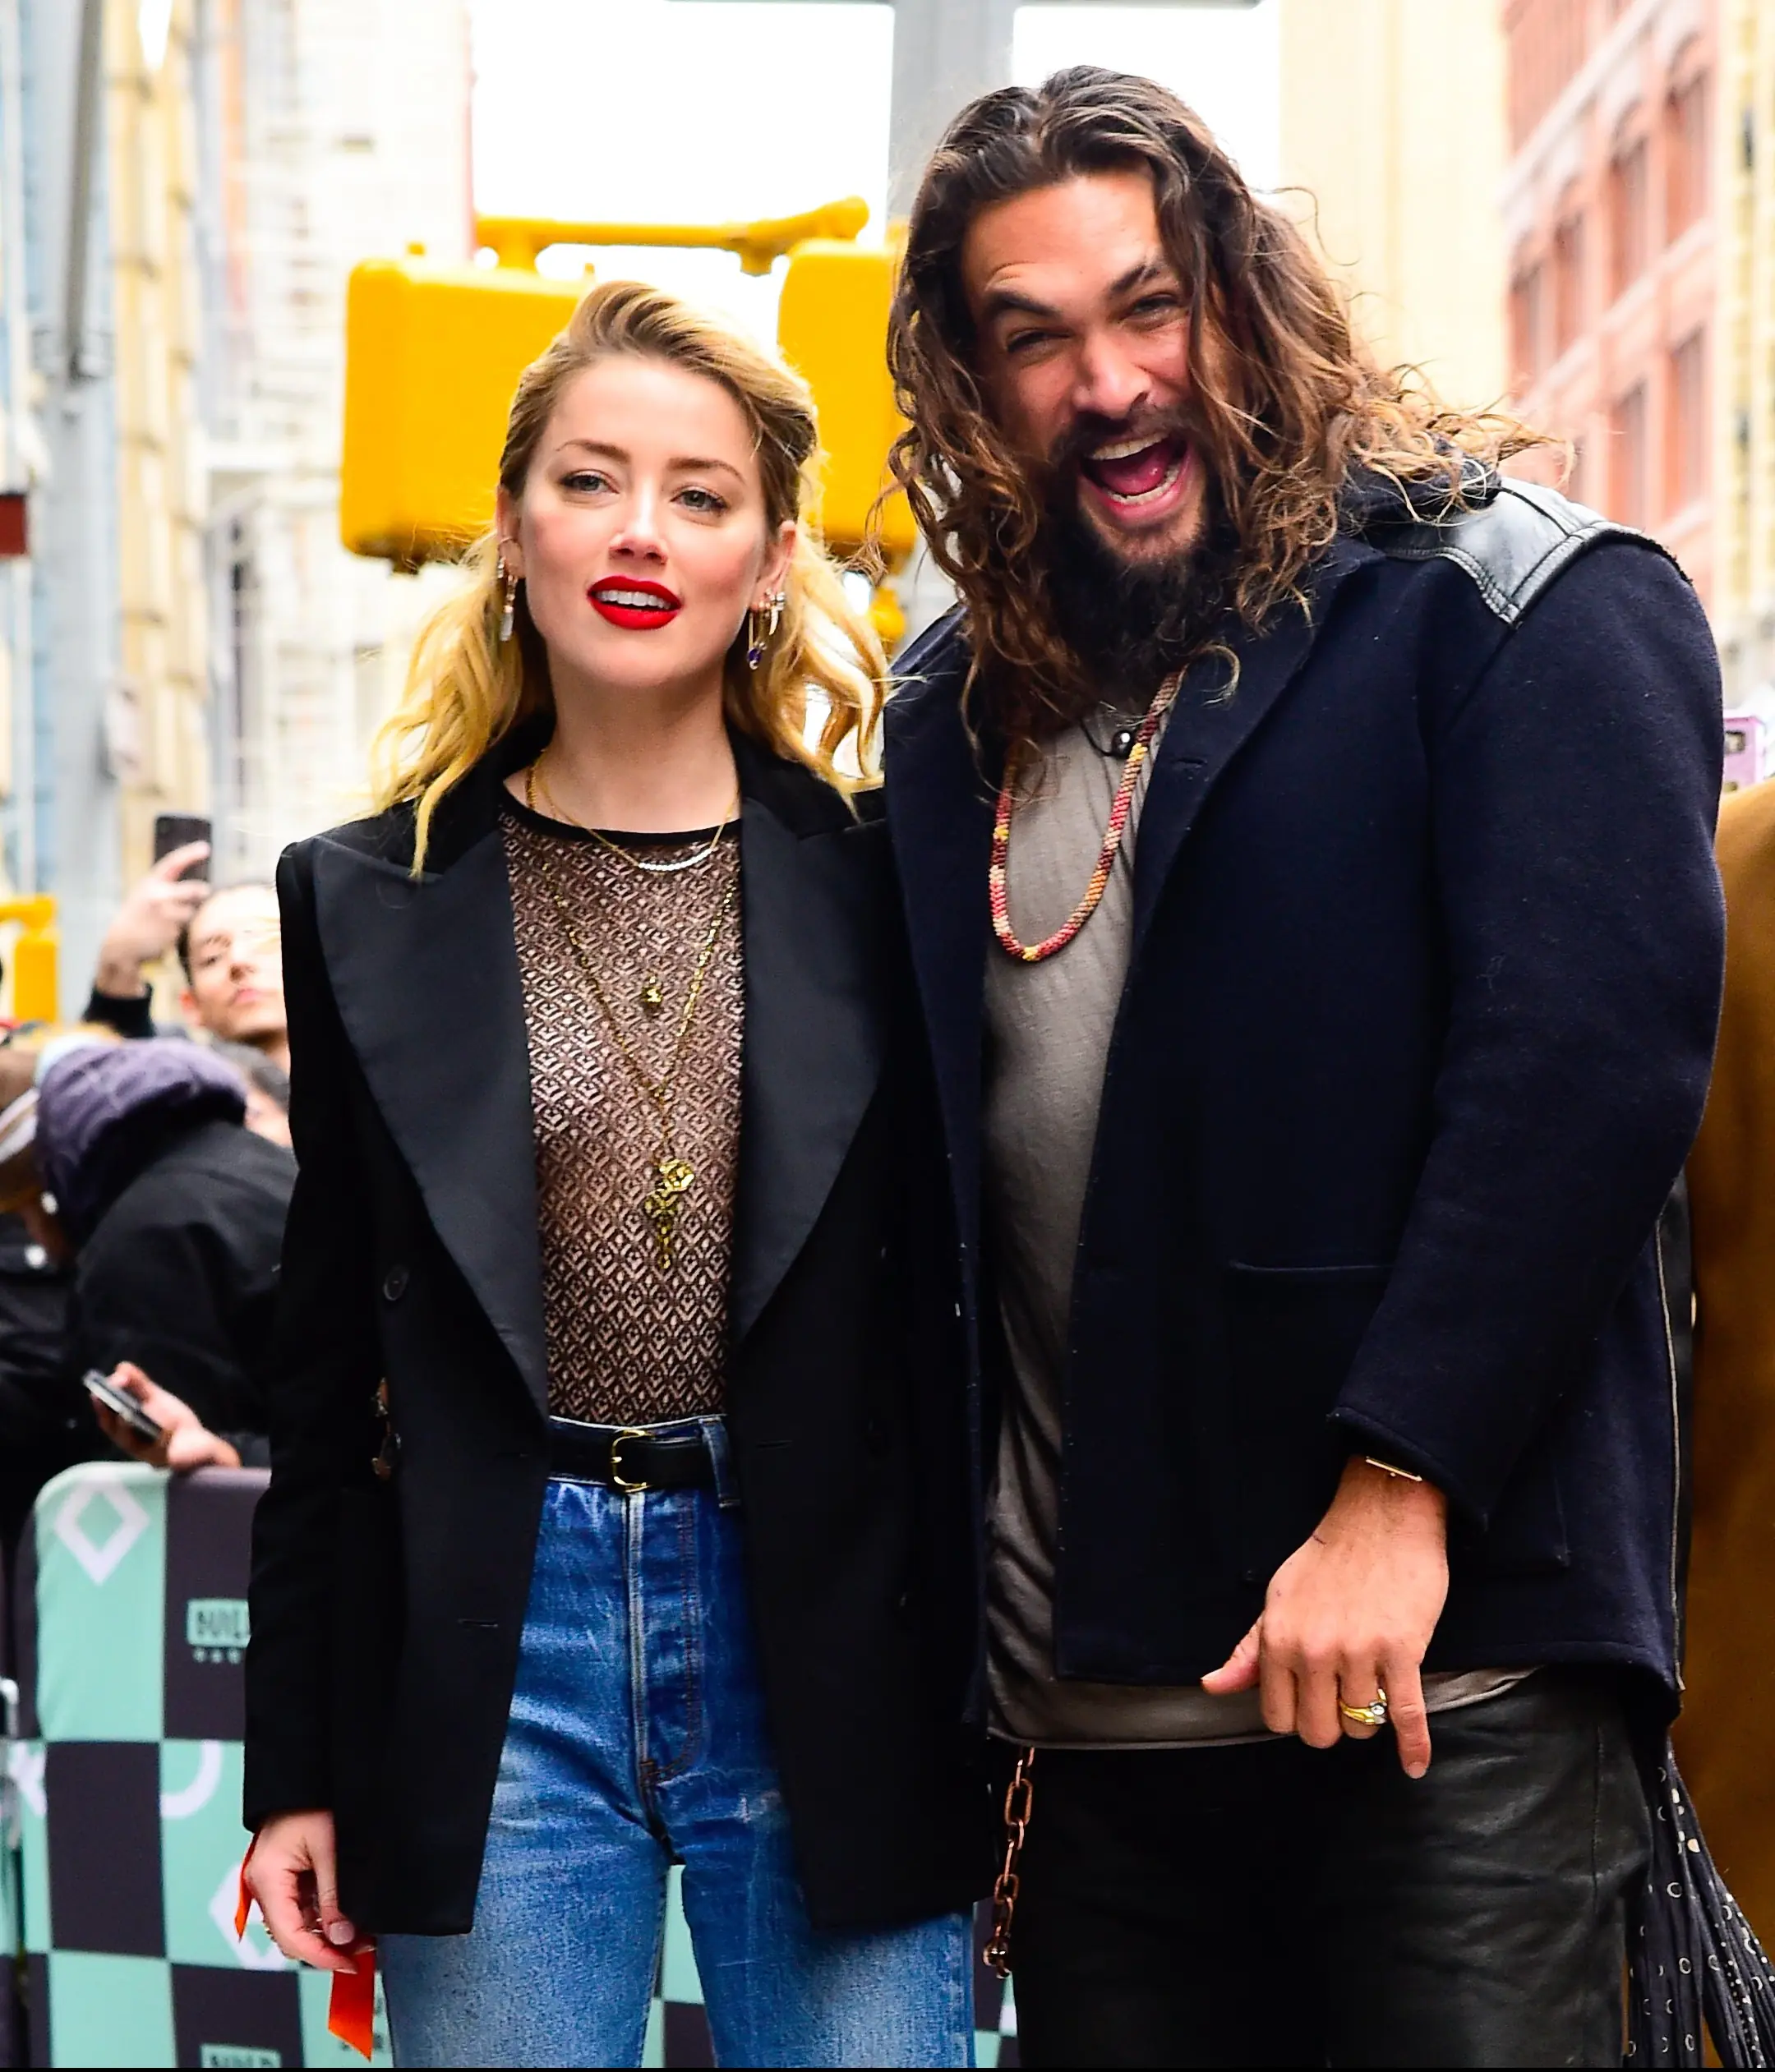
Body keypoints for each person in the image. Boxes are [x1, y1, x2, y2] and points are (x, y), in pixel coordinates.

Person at [879, 67, 1725, 2069]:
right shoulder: (949, 715)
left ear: (1246, 303)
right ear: (969, 388)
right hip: (1095, 1742)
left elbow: (1586, 1065)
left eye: (1147, 305)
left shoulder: (1511, 602)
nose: (1106, 380)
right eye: (1034, 338)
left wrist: (1398, 1479)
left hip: (1457, 1691)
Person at [242, 280, 986, 2070]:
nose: (643, 530)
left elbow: (961, 1329)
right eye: (593, 480)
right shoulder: (360, 897)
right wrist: (302, 1771)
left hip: (829, 1617)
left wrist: (1010, 1715)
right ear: (512, 530)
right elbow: (324, 1374)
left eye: (701, 493)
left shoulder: (892, 887)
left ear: (773, 553)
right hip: (498, 1641)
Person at [32, 1037, 294, 1469]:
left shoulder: (136, 1240)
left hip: (277, 1514)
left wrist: (233, 1455)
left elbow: (180, 1458)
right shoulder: (276, 1166)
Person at [86, 853, 289, 1078]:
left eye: (264, 942)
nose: (238, 960)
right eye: (212, 958)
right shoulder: (178, 1099)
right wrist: (118, 963)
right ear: (191, 1006)